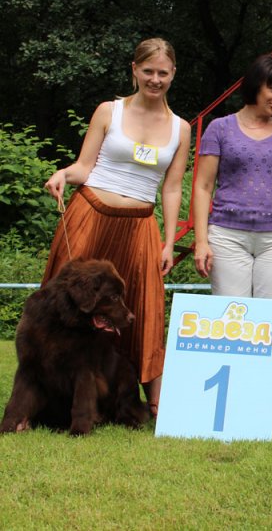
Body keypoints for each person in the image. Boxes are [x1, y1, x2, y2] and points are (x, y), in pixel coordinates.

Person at [43, 38, 192, 418]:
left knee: (144, 307)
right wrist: (62, 174)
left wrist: (169, 241)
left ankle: (155, 401)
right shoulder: (108, 111)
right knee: (65, 304)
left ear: (173, 74)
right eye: (148, 71)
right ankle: (43, 394)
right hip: (90, 216)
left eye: (163, 73)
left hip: (140, 226)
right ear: (134, 70)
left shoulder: (181, 128)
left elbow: (172, 188)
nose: (155, 79)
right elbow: (84, 167)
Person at [192, 55, 272, 434]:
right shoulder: (219, 128)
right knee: (233, 324)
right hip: (227, 237)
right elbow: (202, 187)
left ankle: (270, 415)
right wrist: (200, 240)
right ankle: (231, 412)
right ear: (254, 86)